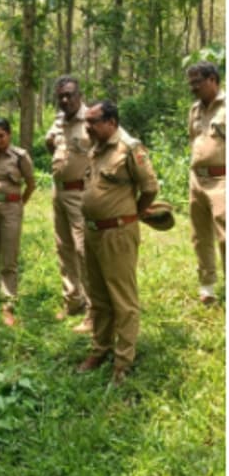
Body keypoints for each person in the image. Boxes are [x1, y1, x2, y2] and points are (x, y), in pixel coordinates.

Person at [75, 100, 159, 386]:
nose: (87, 127)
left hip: (118, 233)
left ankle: (123, 362)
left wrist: (134, 213)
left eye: (93, 121)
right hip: (93, 232)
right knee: (98, 297)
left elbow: (150, 188)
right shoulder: (96, 147)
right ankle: (100, 349)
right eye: (86, 122)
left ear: (111, 122)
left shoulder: (129, 148)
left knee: (122, 299)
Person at [43, 75, 93, 331]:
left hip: (81, 194)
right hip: (59, 192)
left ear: (79, 95)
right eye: (61, 96)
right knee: (64, 248)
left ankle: (95, 312)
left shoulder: (92, 119)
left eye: (70, 95)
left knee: (84, 250)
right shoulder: (60, 121)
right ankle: (73, 301)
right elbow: (50, 143)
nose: (65, 100)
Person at [0, 119, 36, 326]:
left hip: (12, 208)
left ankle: (8, 304)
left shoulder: (20, 157)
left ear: (9, 135)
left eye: (1, 136)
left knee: (9, 257)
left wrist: (20, 204)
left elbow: (31, 184)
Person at [186, 61, 225, 305]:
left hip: (223, 179)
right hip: (197, 179)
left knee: (225, 236)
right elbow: (194, 140)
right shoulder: (195, 110)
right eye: (190, 83)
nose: (193, 87)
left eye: (197, 82)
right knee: (200, 235)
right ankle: (207, 287)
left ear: (212, 80)